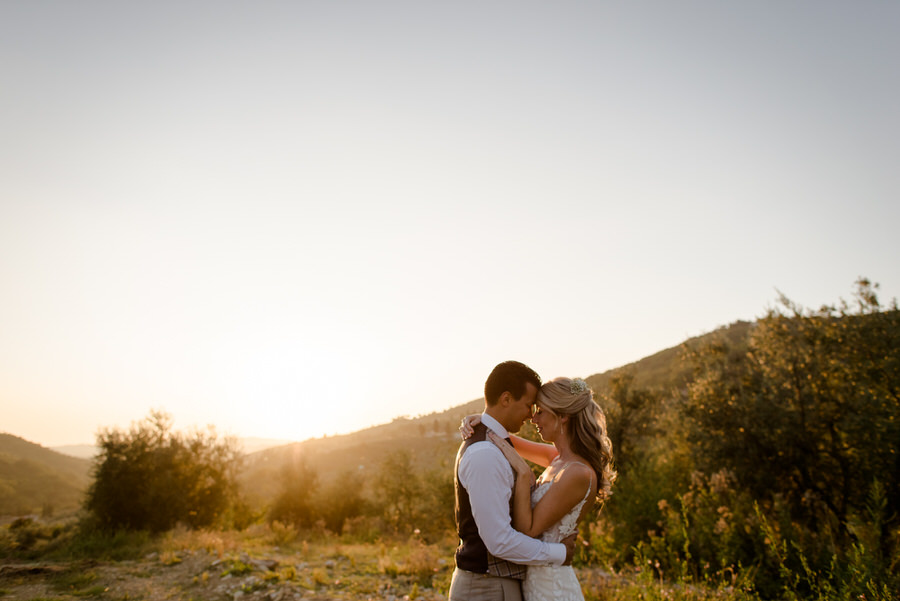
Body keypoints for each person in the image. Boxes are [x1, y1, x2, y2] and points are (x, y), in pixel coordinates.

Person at [459, 376, 616, 601]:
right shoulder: (557, 458)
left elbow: (528, 530)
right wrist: (483, 421)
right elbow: (506, 440)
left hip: (552, 587)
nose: (533, 418)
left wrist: (524, 476)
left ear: (562, 416)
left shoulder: (577, 473)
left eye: (540, 411)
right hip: (535, 578)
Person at [449, 361, 577, 601]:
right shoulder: (485, 454)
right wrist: (559, 553)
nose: (531, 416)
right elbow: (499, 542)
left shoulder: (495, 442)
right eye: (529, 406)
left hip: (498, 583)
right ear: (506, 399)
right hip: (486, 587)